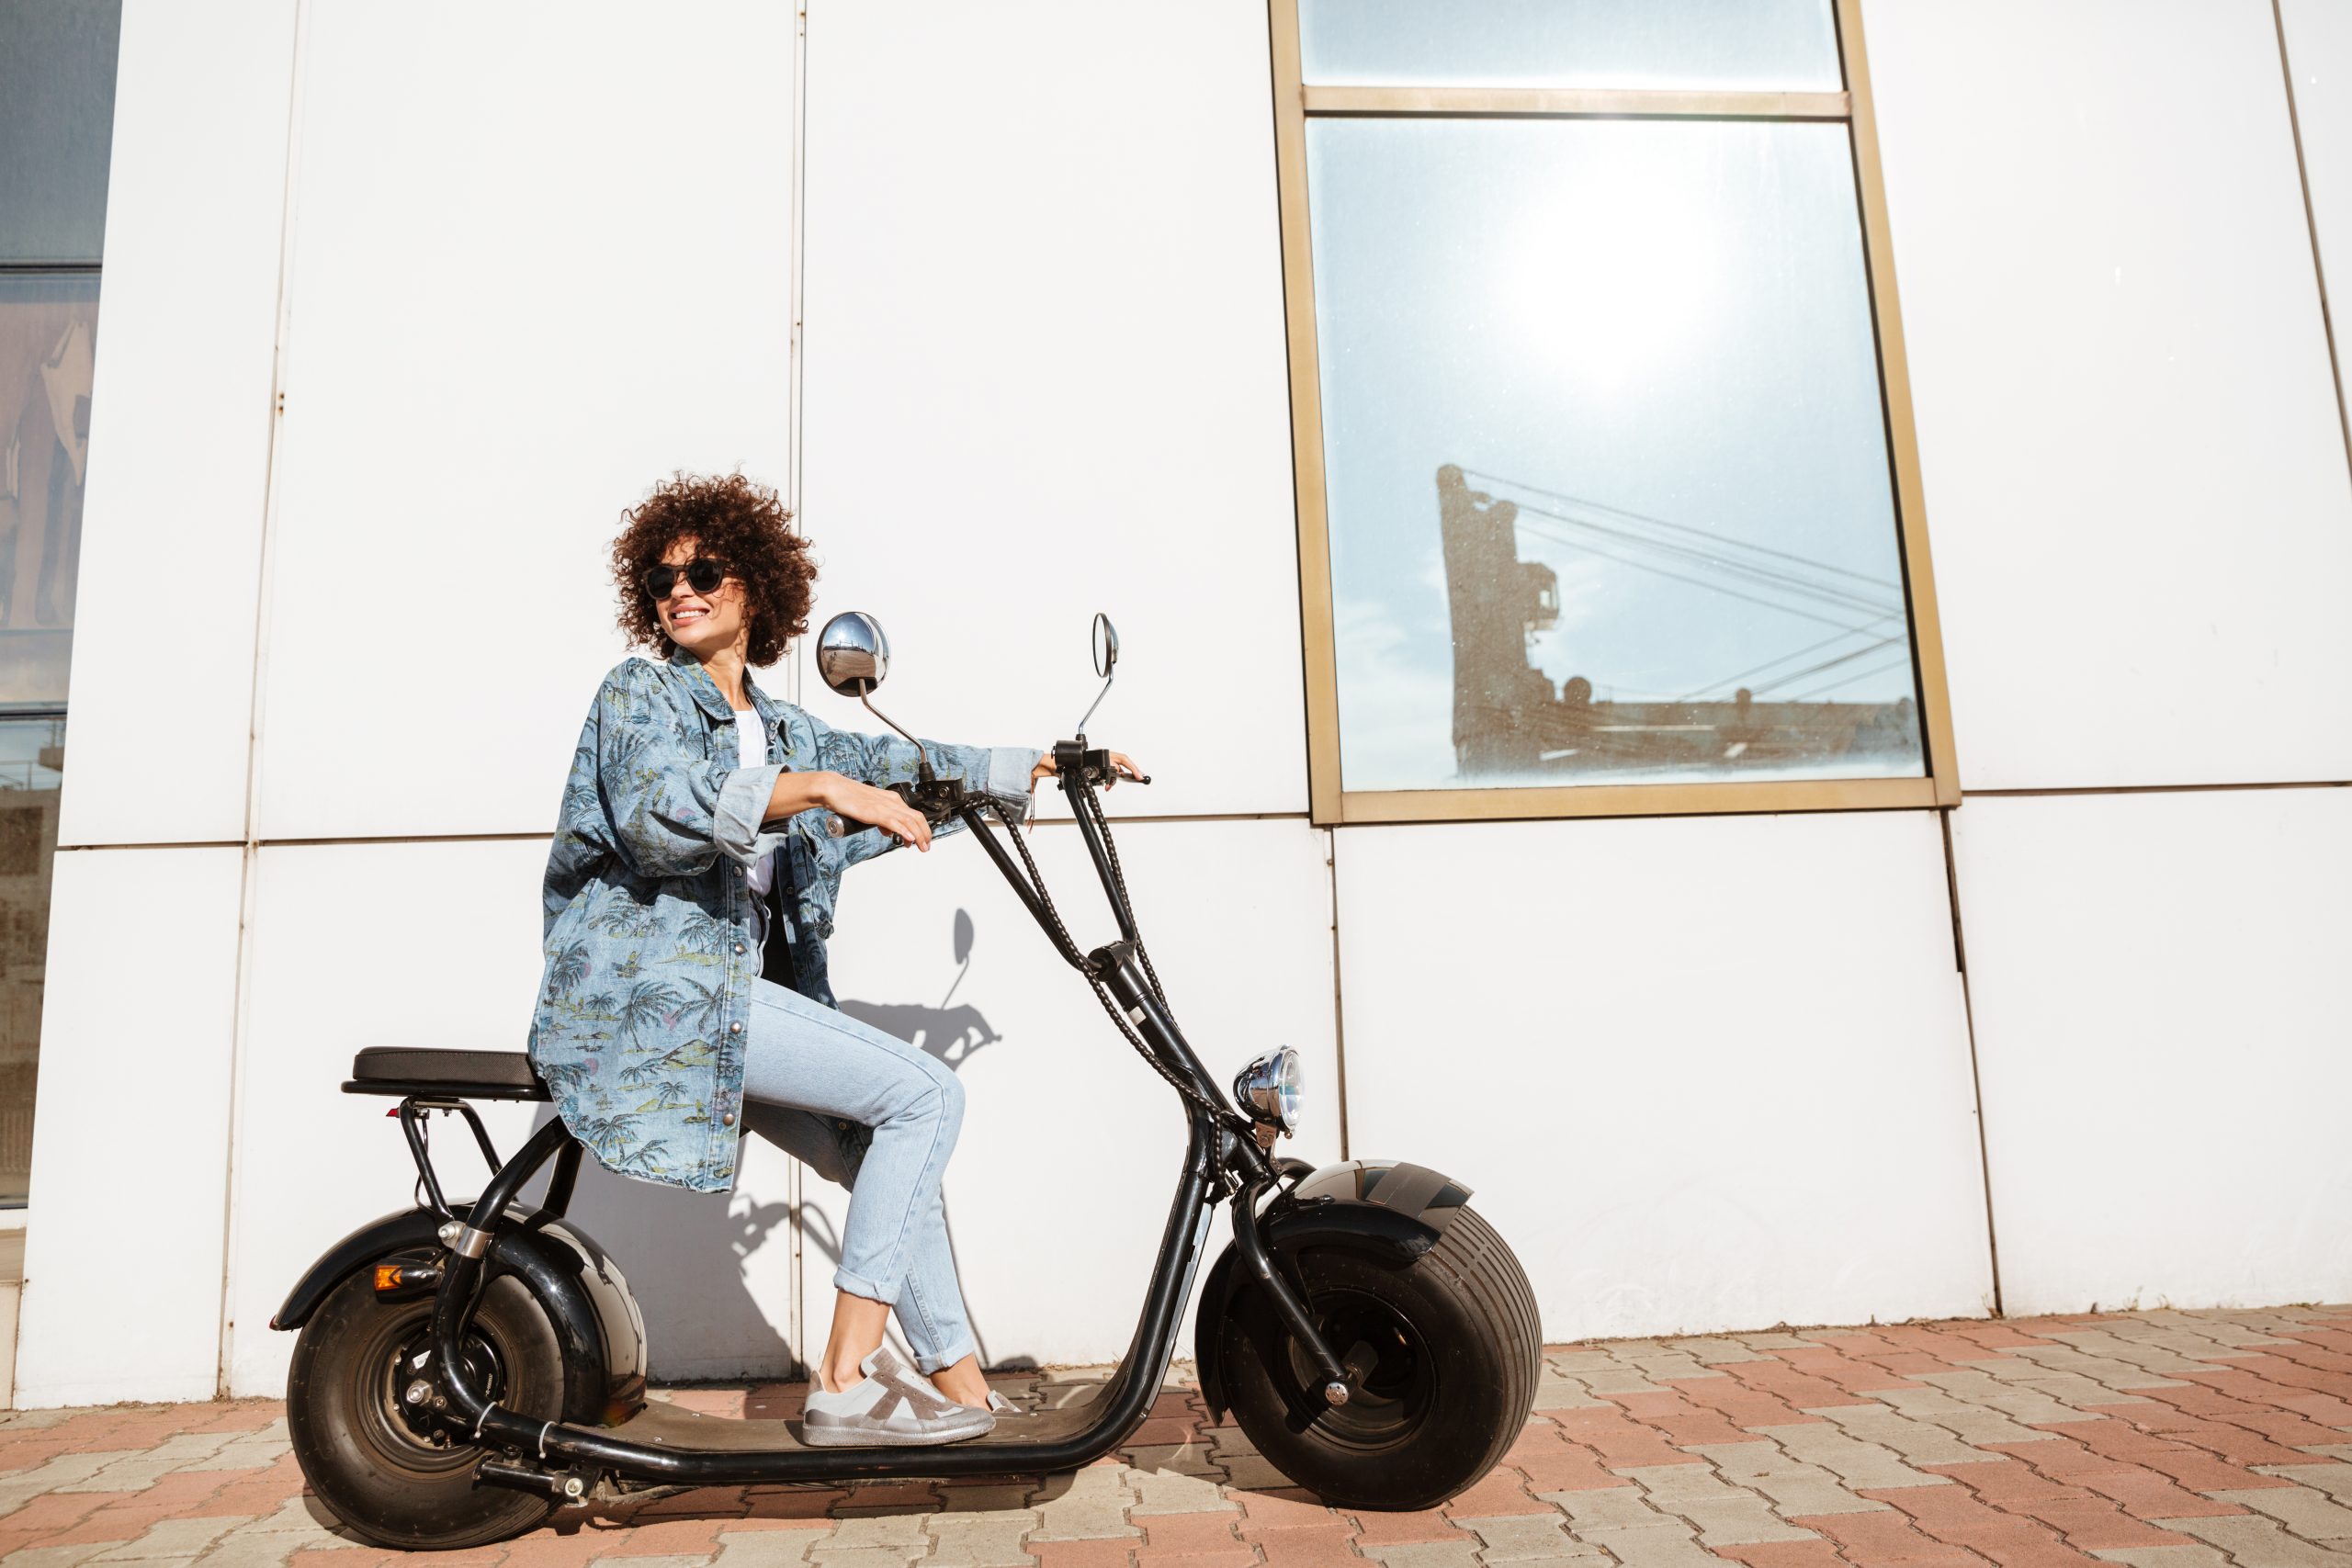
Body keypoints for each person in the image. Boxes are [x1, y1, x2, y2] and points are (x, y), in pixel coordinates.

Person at [529, 472, 1139, 1447]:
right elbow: (657, 807)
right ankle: (844, 1380)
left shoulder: (782, 730)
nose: (680, 589)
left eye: (704, 571)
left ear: (754, 586)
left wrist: (1035, 764)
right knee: (926, 1098)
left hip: (737, 1006)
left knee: (881, 1145)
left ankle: (967, 1394)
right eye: (661, 577)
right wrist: (815, 788)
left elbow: (892, 765)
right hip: (665, 1002)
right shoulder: (638, 694)